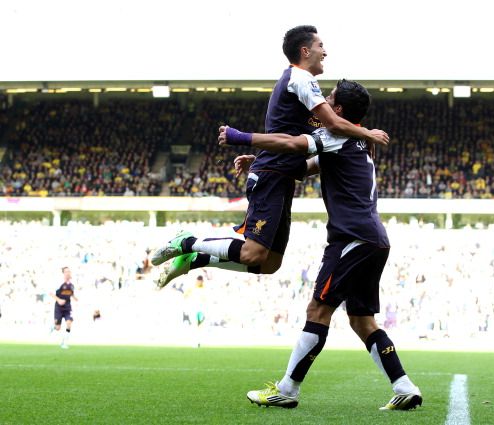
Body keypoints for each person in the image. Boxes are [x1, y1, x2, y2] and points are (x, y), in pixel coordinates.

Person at [219, 79, 422, 411]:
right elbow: (302, 167)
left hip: (351, 238)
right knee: (362, 321)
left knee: (318, 311)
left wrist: (242, 137)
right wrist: (258, 160)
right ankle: (404, 385)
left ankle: (287, 389)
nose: (324, 101)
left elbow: (294, 146)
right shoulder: (355, 142)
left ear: (338, 111)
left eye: (329, 98)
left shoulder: (334, 135)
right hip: (374, 240)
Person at [151, 25, 389, 287]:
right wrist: (367, 133)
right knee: (253, 252)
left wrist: (258, 158)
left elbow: (307, 148)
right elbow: (314, 132)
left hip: (280, 173)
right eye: (321, 46)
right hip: (272, 173)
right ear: (305, 50)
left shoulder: (306, 89)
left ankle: (196, 260)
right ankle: (187, 242)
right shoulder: (301, 78)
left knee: (269, 263)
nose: (325, 52)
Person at [50, 266, 78, 349]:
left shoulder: (72, 285)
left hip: (67, 307)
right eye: (66, 272)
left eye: (69, 271)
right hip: (59, 307)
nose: (68, 273)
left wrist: (75, 298)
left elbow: (71, 294)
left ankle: (64, 342)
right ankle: (53, 326)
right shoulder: (58, 283)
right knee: (58, 327)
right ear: (63, 273)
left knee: (69, 323)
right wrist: (58, 300)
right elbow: (51, 293)